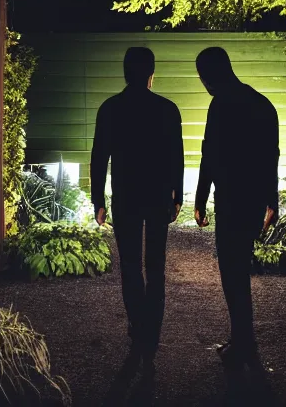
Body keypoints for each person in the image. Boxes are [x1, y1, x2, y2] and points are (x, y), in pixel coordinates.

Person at [90, 47, 184, 372]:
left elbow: (99, 156)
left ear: (125, 73)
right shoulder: (167, 110)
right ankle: (151, 337)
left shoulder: (111, 109)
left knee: (130, 266)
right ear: (151, 74)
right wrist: (177, 197)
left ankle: (137, 329)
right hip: (157, 195)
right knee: (155, 266)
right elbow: (177, 156)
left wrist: (98, 199)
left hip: (126, 196)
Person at [194, 47, 280, 370]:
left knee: (232, 273)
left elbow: (209, 156)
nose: (204, 84)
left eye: (204, 77)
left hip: (230, 199)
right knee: (238, 269)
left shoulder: (219, 106)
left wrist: (200, 199)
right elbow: (272, 155)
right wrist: (272, 200)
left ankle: (243, 342)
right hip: (253, 199)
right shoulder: (262, 105)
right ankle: (243, 339)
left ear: (212, 75)